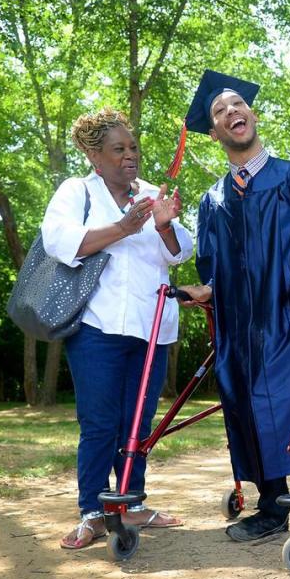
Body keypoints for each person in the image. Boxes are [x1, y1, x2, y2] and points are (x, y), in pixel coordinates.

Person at [178, 70, 290, 542]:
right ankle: (272, 504)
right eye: (219, 112)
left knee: (288, 388)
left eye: (237, 105)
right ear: (214, 131)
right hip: (239, 323)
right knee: (242, 397)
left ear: (252, 115)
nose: (231, 112)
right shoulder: (212, 200)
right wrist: (207, 289)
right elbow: (212, 265)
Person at [40, 107, 193, 550]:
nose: (130, 156)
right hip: (96, 328)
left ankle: (131, 503)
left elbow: (179, 253)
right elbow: (60, 242)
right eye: (118, 149)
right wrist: (124, 227)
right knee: (100, 422)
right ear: (94, 155)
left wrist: (163, 226)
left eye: (133, 148)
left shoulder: (150, 193)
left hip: (151, 329)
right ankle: (93, 511)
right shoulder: (77, 192)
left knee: (137, 423)